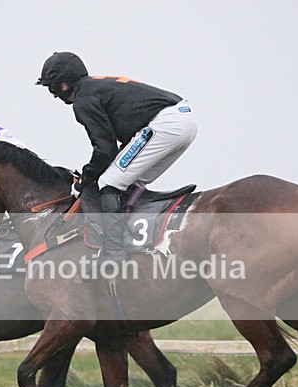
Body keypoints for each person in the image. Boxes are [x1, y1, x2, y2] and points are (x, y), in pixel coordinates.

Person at [35, 52, 197, 263]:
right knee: (127, 182)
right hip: (182, 121)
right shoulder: (95, 86)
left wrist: (85, 178)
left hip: (166, 124)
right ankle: (137, 239)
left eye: (52, 87)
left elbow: (104, 150)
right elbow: (111, 149)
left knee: (109, 182)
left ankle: (114, 253)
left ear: (64, 84)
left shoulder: (83, 100)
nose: (53, 94)